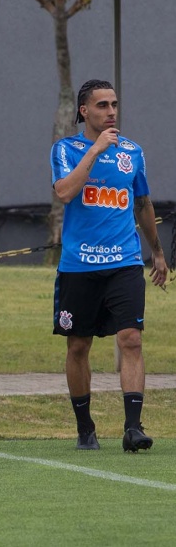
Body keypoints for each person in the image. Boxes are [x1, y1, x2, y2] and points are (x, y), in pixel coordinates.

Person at [51, 79, 168, 453]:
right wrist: (96, 150)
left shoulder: (132, 152)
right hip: (79, 266)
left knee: (131, 339)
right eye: (102, 105)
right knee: (78, 346)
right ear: (84, 111)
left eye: (114, 104)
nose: (112, 111)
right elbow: (65, 192)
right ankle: (85, 429)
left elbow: (143, 203)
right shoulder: (65, 149)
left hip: (125, 262)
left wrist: (158, 252)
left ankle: (133, 428)